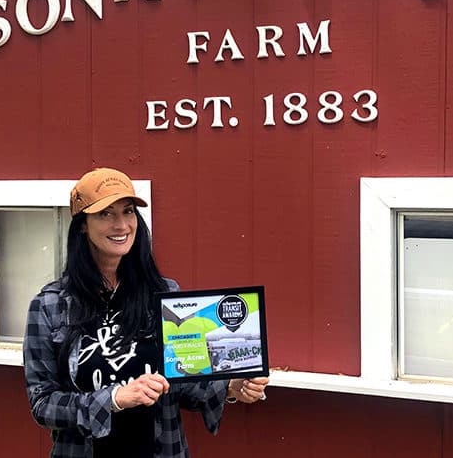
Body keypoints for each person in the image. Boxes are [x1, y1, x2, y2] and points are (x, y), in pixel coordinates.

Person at [23, 167, 269, 458]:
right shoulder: (50, 305)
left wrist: (231, 385)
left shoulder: (163, 294)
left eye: (128, 212)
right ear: (82, 226)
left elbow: (185, 380)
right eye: (105, 214)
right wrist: (114, 398)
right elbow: (43, 405)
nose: (121, 224)